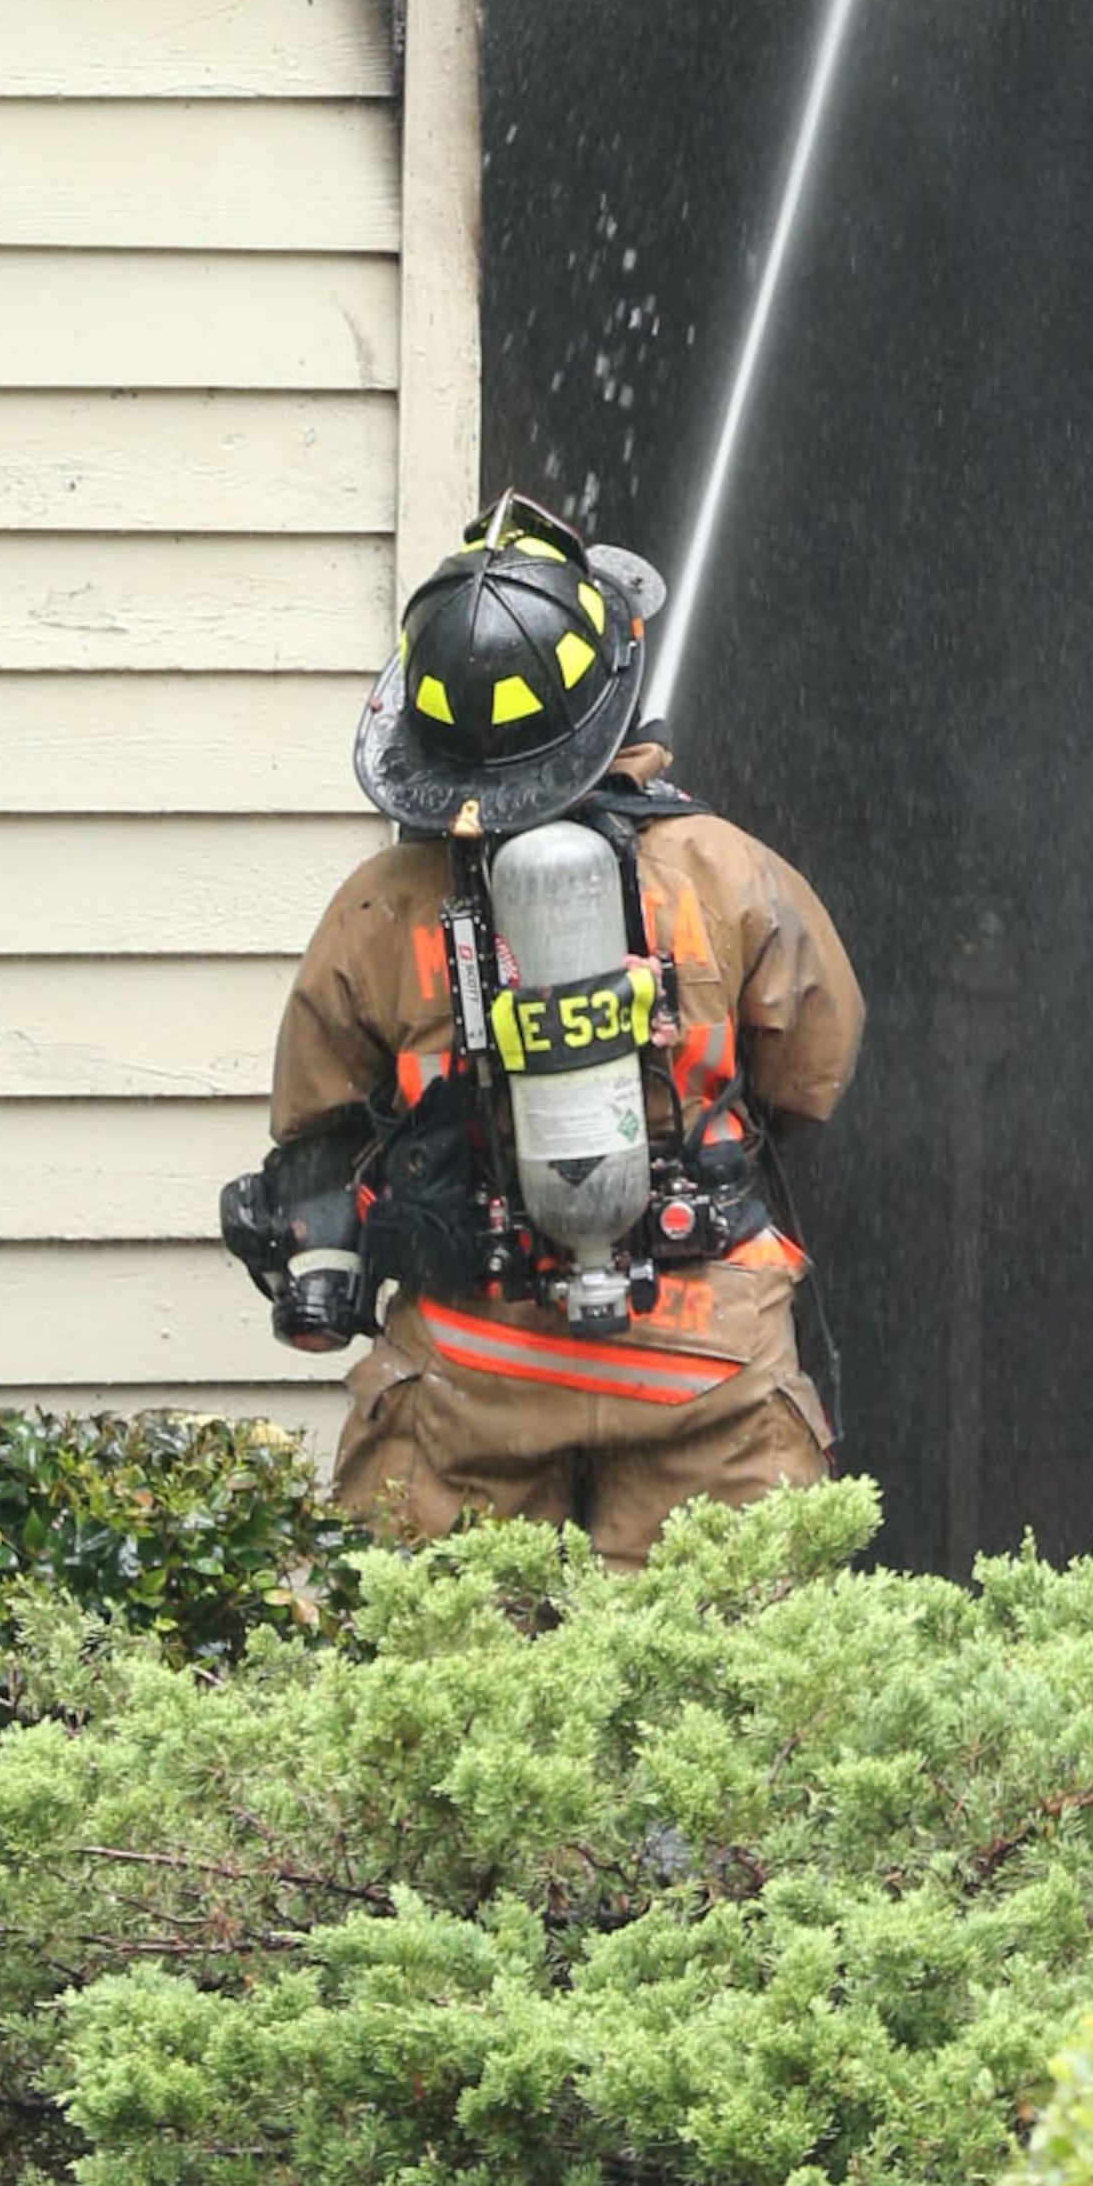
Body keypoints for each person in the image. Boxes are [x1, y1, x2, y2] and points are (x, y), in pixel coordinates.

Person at [239, 497, 864, 1565]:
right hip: (702, 1366)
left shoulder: (377, 908)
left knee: (448, 1704)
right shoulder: (731, 874)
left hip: (469, 1383)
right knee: (724, 1705)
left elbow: (315, 1133)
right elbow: (812, 1078)